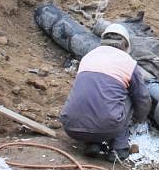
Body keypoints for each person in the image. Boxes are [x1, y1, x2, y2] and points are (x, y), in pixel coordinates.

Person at [60, 23, 151, 161]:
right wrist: (138, 118)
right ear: (126, 45)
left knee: (95, 92)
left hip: (71, 127)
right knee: (129, 96)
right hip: (107, 128)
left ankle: (93, 144)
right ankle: (119, 148)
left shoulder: (88, 56)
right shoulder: (128, 62)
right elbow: (142, 98)